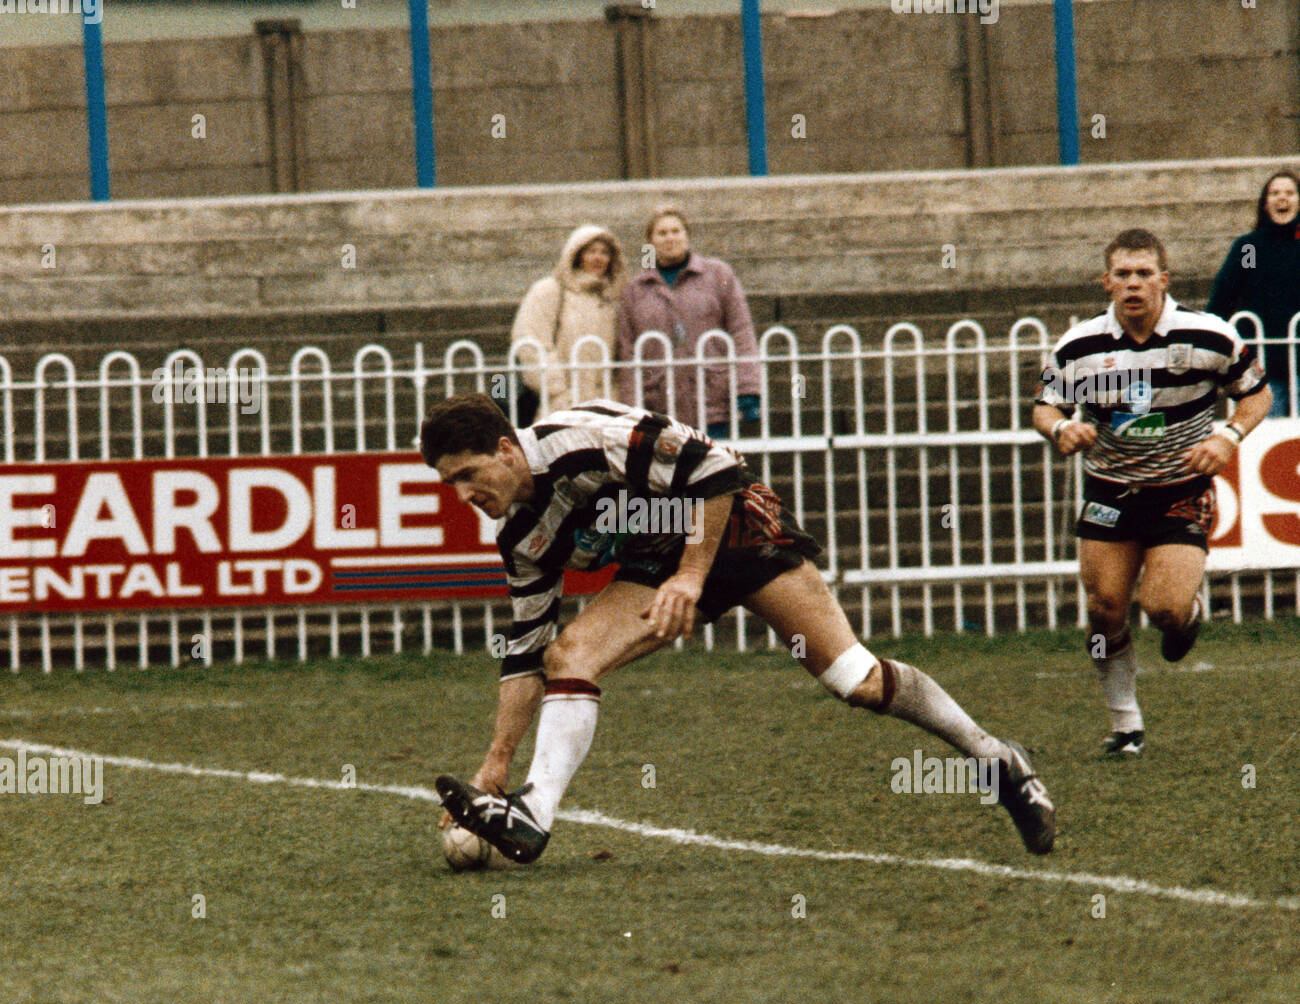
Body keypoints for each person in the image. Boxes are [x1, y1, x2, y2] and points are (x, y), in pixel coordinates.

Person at [422, 393, 1057, 863]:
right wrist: (494, 764)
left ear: (506, 450)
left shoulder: (582, 438)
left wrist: (692, 580)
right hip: (661, 560)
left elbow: (716, 468)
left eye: (468, 475)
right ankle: (532, 811)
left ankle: (997, 760)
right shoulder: (521, 537)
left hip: (732, 524)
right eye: (450, 484)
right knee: (568, 656)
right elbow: (525, 654)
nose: (462, 495)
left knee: (856, 681)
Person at [1032, 229, 1272, 759]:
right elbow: (1044, 406)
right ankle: (1126, 726)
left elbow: (1257, 395)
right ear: (1106, 282)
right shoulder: (1077, 347)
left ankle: (1186, 614)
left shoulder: (1210, 336)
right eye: (1122, 275)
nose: (1133, 284)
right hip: (1110, 491)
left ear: (1164, 280)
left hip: (1179, 491)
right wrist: (1060, 430)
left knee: (1161, 608)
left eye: (1144, 274)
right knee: (1104, 609)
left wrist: (1227, 436)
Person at [617, 204, 762, 438]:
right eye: (662, 233)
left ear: (687, 235)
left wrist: (748, 388)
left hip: (713, 399)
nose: (670, 238)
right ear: (650, 241)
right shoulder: (635, 289)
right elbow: (627, 352)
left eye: (676, 231)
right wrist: (632, 408)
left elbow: (741, 330)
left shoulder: (718, 275)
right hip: (659, 406)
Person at [1207, 169, 1300, 417]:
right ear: (1265, 202)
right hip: (1263, 364)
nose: (1282, 198)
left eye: (1290, 193)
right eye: (1275, 193)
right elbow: (1225, 296)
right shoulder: (1250, 249)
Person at [511, 224, 626, 419]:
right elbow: (531, 342)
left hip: (607, 406)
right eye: (591, 251)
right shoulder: (550, 290)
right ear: (577, 254)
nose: (598, 258)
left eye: (604, 252)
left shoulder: (613, 300)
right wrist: (558, 391)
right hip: (561, 407)